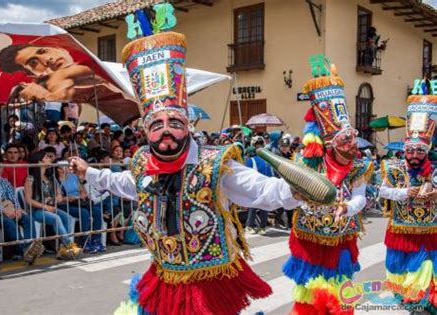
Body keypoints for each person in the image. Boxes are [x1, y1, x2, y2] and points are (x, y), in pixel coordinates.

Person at [70, 22, 304, 315]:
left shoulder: (214, 164)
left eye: (175, 123)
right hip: (164, 278)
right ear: (146, 131)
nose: (166, 131)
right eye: (157, 124)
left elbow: (259, 189)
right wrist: (88, 173)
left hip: (209, 286)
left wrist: (293, 190)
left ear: (188, 126)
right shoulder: (144, 164)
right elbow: (125, 183)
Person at [282, 57, 373, 314]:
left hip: (341, 238)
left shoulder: (357, 167)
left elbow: (360, 197)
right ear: (331, 146)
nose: (352, 152)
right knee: (309, 289)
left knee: (338, 288)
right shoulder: (307, 162)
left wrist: (347, 208)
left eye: (353, 146)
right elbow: (289, 195)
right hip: (310, 236)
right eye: (346, 148)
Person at [378, 91, 436, 313]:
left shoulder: (436, 170)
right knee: (400, 276)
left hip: (429, 234)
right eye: (410, 150)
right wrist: (403, 193)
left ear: (426, 151)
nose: (413, 154)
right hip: (401, 232)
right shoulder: (393, 168)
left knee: (425, 275)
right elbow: (382, 193)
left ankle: (422, 306)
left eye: (419, 150)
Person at [0, 156, 44, 264]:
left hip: (10, 208)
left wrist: (17, 208)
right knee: (7, 222)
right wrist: (2, 210)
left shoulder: (4, 182)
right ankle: (26, 250)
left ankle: (29, 247)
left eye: (1, 168)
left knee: (27, 219)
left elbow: (13, 197)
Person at [24, 152, 81, 259]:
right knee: (56, 218)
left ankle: (63, 249)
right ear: (39, 162)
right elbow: (28, 200)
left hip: (51, 208)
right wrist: (45, 207)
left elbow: (58, 191)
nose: (49, 158)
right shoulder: (30, 179)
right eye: (46, 157)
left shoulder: (49, 177)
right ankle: (69, 245)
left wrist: (59, 195)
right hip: (37, 210)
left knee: (69, 219)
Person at [54, 160, 104, 253]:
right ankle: (85, 242)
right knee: (84, 213)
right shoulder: (56, 181)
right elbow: (59, 199)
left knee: (97, 211)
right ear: (59, 170)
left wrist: (82, 195)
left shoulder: (73, 177)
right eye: (65, 166)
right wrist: (68, 198)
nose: (69, 168)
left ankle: (96, 240)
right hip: (65, 204)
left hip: (78, 202)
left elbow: (82, 190)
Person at [244, 137, 274, 235]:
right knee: (254, 205)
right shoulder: (251, 160)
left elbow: (271, 172)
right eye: (257, 145)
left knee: (264, 206)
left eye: (261, 145)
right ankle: (249, 225)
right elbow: (247, 174)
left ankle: (262, 226)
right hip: (255, 186)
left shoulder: (267, 159)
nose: (259, 147)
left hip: (266, 185)